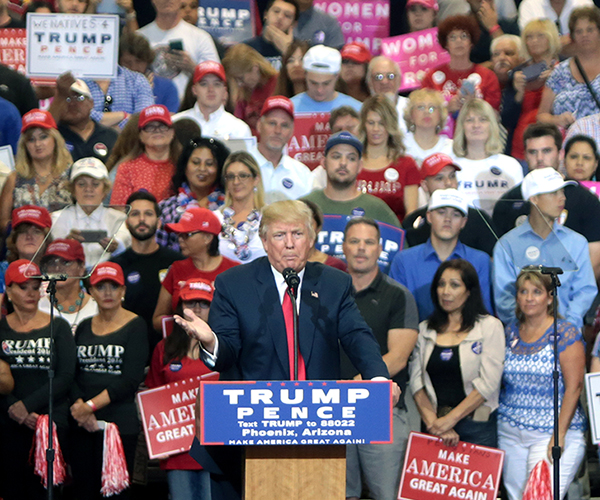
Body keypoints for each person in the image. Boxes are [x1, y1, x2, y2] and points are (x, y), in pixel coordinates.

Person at [175, 199, 392, 382]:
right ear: (265, 242)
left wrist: (378, 379)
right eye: (279, 235)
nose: (289, 244)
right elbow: (226, 356)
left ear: (310, 240)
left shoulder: (333, 283)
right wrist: (212, 342)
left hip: (318, 409)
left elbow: (356, 335)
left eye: (297, 234)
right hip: (256, 412)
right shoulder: (234, 284)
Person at [342, 217, 418, 500]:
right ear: (343, 247)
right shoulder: (326, 293)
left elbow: (398, 358)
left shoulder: (399, 296)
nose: (361, 249)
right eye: (354, 241)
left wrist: (351, 386)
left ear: (380, 249)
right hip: (332, 411)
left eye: (369, 242)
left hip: (381, 410)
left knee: (387, 494)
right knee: (337, 492)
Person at [498, 268, 587, 500]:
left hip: (551, 432)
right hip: (510, 431)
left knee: (540, 496)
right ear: (516, 297)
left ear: (549, 297)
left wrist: (558, 435)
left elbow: (574, 387)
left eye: (536, 292)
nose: (529, 298)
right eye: (523, 292)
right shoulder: (510, 332)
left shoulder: (565, 333)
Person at [68, 262, 148, 500]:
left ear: (123, 290)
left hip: (118, 424)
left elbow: (130, 380)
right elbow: (72, 374)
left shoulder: (136, 325)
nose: (107, 293)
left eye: (113, 286)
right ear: (90, 292)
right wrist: (80, 408)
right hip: (82, 424)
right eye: (100, 287)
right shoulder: (83, 327)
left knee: (116, 495)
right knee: (83, 490)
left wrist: (89, 407)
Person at [0, 260, 76, 500]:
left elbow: (65, 375)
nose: (31, 293)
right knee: (12, 487)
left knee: (44, 491)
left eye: (35, 287)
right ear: (8, 289)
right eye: (23, 287)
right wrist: (14, 408)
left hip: (50, 418)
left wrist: (27, 406)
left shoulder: (59, 325)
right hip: (8, 420)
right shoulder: (1, 329)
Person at [409, 258, 504, 448]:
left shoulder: (489, 326)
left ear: (469, 291)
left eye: (454, 285)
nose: (446, 292)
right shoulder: (425, 330)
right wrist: (434, 423)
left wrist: (450, 420)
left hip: (477, 427)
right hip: (433, 426)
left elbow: (488, 384)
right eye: (441, 284)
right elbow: (416, 381)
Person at [493, 167, 597, 329]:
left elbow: (585, 290)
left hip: (568, 337)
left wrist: (567, 326)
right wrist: (529, 328)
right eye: (553, 193)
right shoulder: (507, 245)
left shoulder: (577, 242)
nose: (562, 198)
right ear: (534, 199)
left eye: (562, 192)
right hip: (523, 337)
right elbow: (504, 298)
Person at [492, 123, 600, 278]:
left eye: (547, 151)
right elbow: (501, 261)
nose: (540, 158)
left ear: (561, 154)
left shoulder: (587, 201)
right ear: (525, 155)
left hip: (571, 293)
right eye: (533, 152)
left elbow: (594, 260)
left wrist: (562, 294)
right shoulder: (507, 204)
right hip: (522, 295)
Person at [145, 277, 217, 500]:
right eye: (190, 303)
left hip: (215, 448)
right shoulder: (164, 348)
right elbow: (153, 396)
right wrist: (157, 438)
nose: (196, 309)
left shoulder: (224, 345)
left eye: (204, 304)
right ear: (179, 307)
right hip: (175, 448)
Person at [391, 188, 492, 321]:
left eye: (455, 214)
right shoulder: (404, 260)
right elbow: (396, 315)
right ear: (429, 216)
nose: (447, 219)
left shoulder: (480, 261)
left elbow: (483, 314)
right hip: (415, 338)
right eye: (441, 212)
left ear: (464, 222)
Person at [111, 191, 184, 352]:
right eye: (135, 214)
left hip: (170, 348)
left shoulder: (177, 263)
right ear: (127, 222)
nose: (142, 219)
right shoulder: (116, 266)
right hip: (127, 347)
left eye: (148, 214)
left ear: (158, 222)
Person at [152, 207, 238, 331]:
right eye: (179, 235)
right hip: (183, 347)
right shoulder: (177, 269)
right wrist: (184, 325)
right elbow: (158, 319)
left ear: (208, 238)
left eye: (187, 235)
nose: (180, 239)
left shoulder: (234, 271)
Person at [403, 153, 496, 255]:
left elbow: (490, 260)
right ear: (425, 185)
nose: (448, 183)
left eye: (452, 176)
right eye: (439, 178)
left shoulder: (480, 219)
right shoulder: (412, 223)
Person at [303, 131, 400, 228]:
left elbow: (400, 241)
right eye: (336, 157)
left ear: (360, 166)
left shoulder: (377, 209)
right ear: (323, 163)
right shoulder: (305, 207)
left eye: (351, 158)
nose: (343, 163)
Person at [0, 109, 72, 233]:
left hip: (62, 246)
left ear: (55, 139)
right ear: (24, 145)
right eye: (31, 139)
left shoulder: (72, 175)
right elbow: (2, 224)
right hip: (23, 247)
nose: (38, 144)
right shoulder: (14, 178)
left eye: (43, 137)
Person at [51, 157, 130, 266]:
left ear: (105, 189)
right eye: (81, 184)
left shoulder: (120, 219)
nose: (88, 189)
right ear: (73, 190)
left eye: (95, 184)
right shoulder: (56, 219)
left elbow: (127, 247)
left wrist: (116, 246)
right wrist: (65, 245)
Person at [156, 136, 229, 251]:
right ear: (184, 166)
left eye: (209, 164)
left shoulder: (228, 207)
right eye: (195, 163)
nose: (202, 169)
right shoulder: (165, 208)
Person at [452, 98, 523, 214]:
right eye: (469, 120)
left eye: (482, 120)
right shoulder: (451, 166)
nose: (476, 125)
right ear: (461, 126)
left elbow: (517, 209)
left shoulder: (511, 166)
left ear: (492, 125)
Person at [137, 0, 220, 100]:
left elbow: (217, 79)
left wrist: (192, 68)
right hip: (149, 106)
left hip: (188, 107)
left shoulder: (201, 38)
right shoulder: (139, 37)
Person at [420, 15, 501, 117]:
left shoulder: (488, 76)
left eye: (464, 36)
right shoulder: (431, 77)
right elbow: (423, 112)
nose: (458, 41)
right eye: (452, 37)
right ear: (446, 44)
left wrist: (474, 105)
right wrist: (446, 109)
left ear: (471, 42)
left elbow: (495, 115)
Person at [357, 95, 421, 222]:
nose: (376, 129)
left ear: (391, 125)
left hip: (394, 234)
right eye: (371, 123)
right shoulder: (352, 163)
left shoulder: (406, 164)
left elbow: (411, 215)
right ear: (364, 125)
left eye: (382, 123)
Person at [538, 6, 600, 128]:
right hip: (569, 141)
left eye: (590, 30)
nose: (585, 35)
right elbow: (541, 116)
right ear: (572, 36)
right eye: (579, 31)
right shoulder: (560, 72)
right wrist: (557, 120)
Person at [110, 104, 181, 205]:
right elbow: (119, 210)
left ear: (172, 132)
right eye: (150, 127)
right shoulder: (127, 168)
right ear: (140, 135)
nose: (157, 130)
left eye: (162, 125)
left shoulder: (184, 165)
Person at [509, 20, 560, 160]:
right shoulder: (518, 72)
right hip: (522, 144)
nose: (534, 41)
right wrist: (518, 92)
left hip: (553, 142)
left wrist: (556, 81)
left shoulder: (565, 70)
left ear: (551, 38)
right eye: (529, 37)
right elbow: (507, 118)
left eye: (540, 36)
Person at [248, 96, 312, 203]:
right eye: (272, 123)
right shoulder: (242, 166)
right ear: (259, 126)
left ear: (292, 131)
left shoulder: (302, 174)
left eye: (284, 125)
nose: (278, 131)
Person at [172, 61, 252, 140]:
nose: (211, 89)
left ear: (224, 91)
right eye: (204, 84)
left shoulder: (239, 129)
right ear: (194, 90)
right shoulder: (176, 123)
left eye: (217, 84)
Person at [48, 75, 119, 164]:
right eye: (67, 99)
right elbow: (42, 129)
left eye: (79, 98)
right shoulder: (52, 135)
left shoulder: (110, 136)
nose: (72, 104)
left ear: (91, 103)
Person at [215, 151, 267, 263]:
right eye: (230, 176)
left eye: (243, 176)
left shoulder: (270, 217)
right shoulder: (215, 218)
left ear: (256, 179)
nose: (236, 182)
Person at [222, 44, 278, 135]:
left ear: (255, 68)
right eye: (236, 80)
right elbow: (237, 125)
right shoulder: (244, 91)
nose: (239, 84)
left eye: (241, 78)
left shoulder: (278, 84)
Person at [119, 32, 180, 113]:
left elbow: (171, 118)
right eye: (127, 63)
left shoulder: (167, 87)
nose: (133, 68)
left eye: (139, 62)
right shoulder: (112, 87)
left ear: (147, 61)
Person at [290, 44, 362, 113]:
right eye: (314, 83)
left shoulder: (357, 109)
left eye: (326, 83)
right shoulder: (290, 108)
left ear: (337, 76)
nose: (319, 90)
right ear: (305, 75)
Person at [0, 206, 53, 295]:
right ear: (14, 239)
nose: (29, 237)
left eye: (36, 231)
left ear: (46, 239)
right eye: (23, 231)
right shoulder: (1, 272)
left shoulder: (59, 272)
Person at [403, 88, 453, 169]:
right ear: (411, 115)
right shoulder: (400, 145)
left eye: (432, 108)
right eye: (420, 107)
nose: (426, 112)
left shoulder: (451, 148)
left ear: (440, 116)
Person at [244, 0, 299, 71]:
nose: (280, 17)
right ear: (265, 15)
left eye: (287, 15)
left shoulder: (300, 50)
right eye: (276, 11)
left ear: (294, 24)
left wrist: (287, 50)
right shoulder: (246, 48)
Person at [466, 0, 520, 65]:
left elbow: (514, 59)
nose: (484, 3)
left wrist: (493, 27)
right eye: (479, 1)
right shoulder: (465, 30)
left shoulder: (510, 26)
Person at [366, 56, 409, 134]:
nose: (384, 82)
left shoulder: (411, 107)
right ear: (370, 82)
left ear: (399, 80)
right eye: (378, 77)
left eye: (390, 76)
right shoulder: (363, 111)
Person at [302, 199, 347, 271]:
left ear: (318, 228)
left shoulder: (335, 265)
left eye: (309, 224)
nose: (303, 229)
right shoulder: (279, 264)